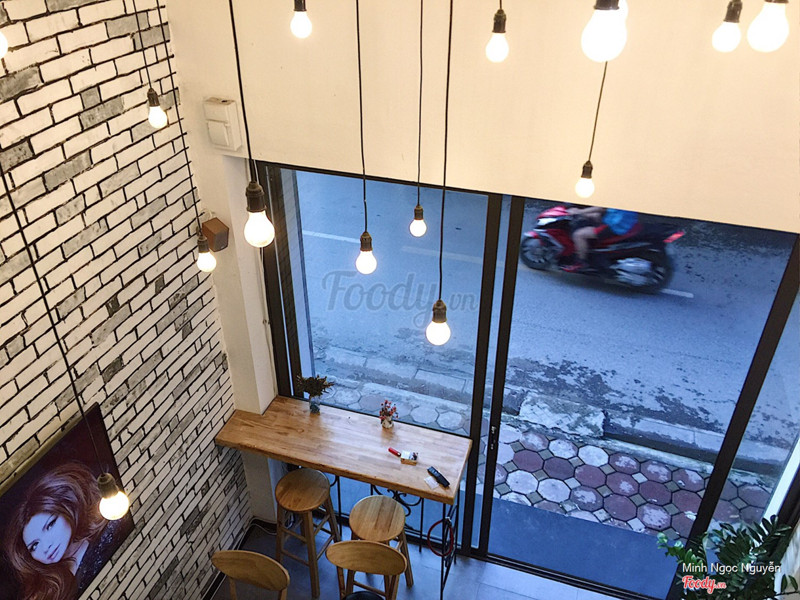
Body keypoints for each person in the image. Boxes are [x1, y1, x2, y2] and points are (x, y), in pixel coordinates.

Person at [4, 463, 108, 600]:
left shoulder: (110, 530)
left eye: (50, 525)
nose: (46, 547)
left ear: (68, 508)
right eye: (34, 546)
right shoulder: (44, 591)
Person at [562, 206, 639, 272]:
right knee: (592, 215)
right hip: (619, 220)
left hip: (616, 225)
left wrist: (579, 211)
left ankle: (581, 263)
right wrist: (583, 213)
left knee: (578, 235)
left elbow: (602, 208)